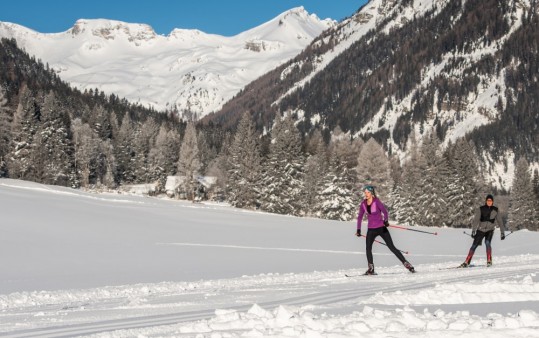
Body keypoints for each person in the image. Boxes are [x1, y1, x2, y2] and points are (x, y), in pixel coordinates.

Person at [356, 185, 415, 275]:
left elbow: (384, 212)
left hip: (381, 228)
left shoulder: (377, 202)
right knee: (368, 249)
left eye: (368, 192)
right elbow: (360, 217)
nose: (366, 194)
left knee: (392, 247)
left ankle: (406, 264)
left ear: (372, 193)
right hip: (371, 230)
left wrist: (386, 221)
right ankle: (371, 268)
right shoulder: (363, 204)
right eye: (365, 193)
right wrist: (358, 229)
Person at [459, 194, 506, 268]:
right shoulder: (481, 209)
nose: (489, 202)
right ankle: (467, 261)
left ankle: (489, 260)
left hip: (490, 230)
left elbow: (500, 221)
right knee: (474, 245)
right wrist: (474, 230)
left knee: (487, 243)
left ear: (492, 202)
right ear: (486, 201)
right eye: (488, 200)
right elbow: (476, 220)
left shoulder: (495, 210)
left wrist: (502, 232)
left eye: (490, 201)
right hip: (480, 229)